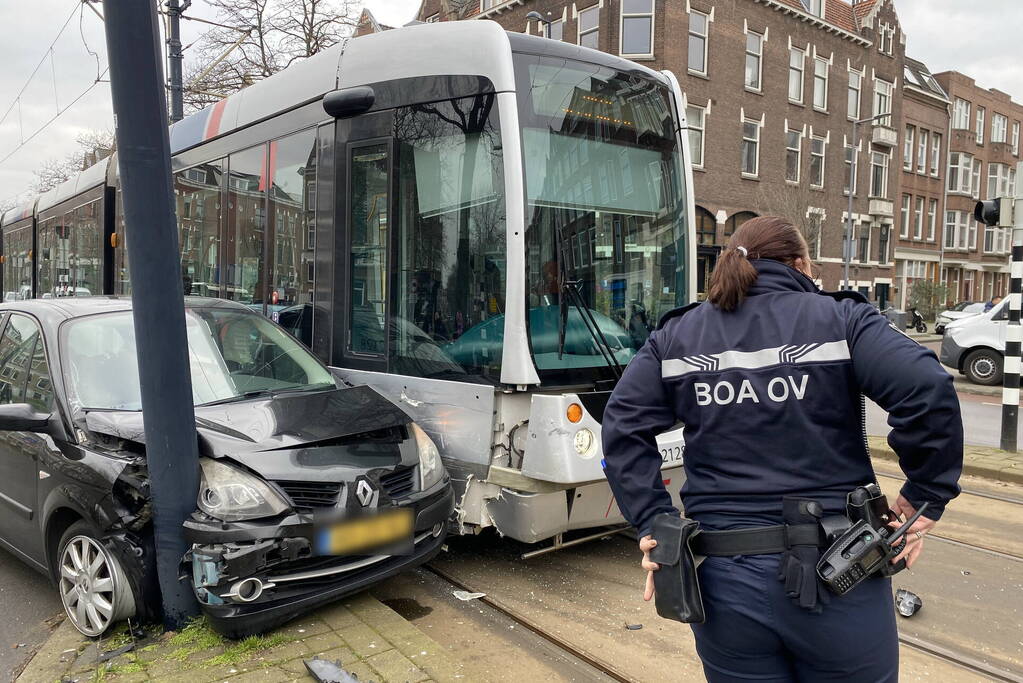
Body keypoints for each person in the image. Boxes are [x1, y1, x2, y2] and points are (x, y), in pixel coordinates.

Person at [601, 216, 963, 682]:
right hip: (839, 575)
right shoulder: (841, 320)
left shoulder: (676, 338)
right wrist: (924, 496)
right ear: (801, 264)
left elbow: (621, 428)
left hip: (723, 584)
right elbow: (928, 390)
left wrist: (654, 521)